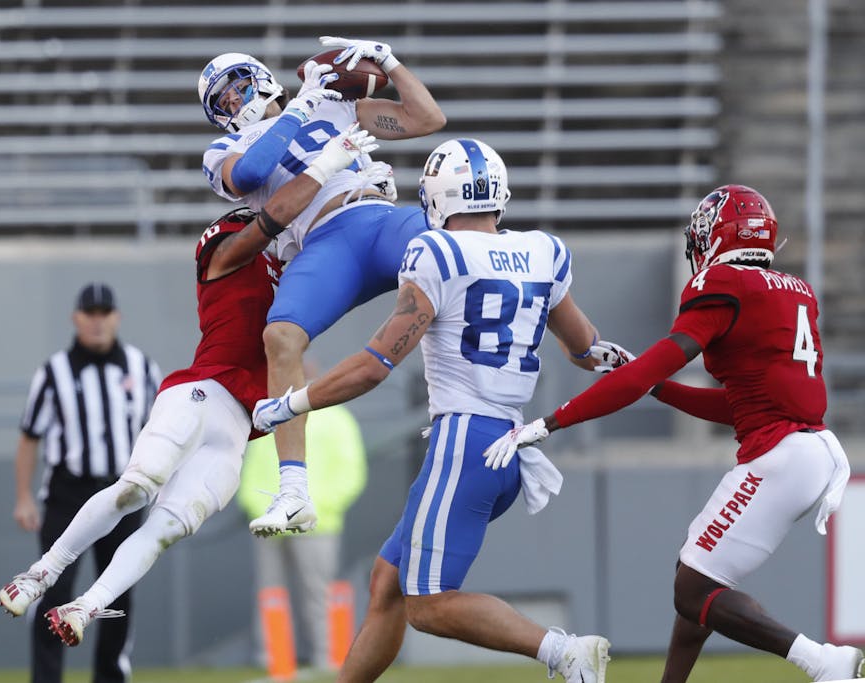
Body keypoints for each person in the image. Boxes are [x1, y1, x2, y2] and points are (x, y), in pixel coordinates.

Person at [0, 125, 380, 652]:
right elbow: (273, 218)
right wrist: (326, 163)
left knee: (164, 530)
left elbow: (331, 258)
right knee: (139, 486)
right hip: (201, 391)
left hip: (240, 431)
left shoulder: (298, 268)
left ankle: (85, 606)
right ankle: (41, 574)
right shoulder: (225, 244)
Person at [252, 139, 614, 683]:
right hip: (507, 443)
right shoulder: (544, 251)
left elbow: (375, 364)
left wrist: (290, 403)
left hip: (465, 441)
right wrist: (634, 367)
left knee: (429, 604)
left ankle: (562, 651)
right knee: (388, 583)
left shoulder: (437, 252)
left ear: (437, 198)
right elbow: (587, 348)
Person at [483, 185, 862, 683]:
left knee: (693, 589)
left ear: (716, 235)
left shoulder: (722, 284)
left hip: (781, 456)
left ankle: (822, 662)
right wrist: (657, 387)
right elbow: (739, 404)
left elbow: (644, 373)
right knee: (697, 577)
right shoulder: (793, 291)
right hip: (809, 449)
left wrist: (550, 421)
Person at [198, 35, 446, 536]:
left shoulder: (333, 105)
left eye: (236, 88)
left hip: (376, 216)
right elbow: (249, 173)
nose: (233, 103)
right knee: (280, 338)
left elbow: (427, 119)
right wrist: (299, 108)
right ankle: (293, 492)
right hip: (323, 242)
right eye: (221, 102)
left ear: (260, 78)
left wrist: (389, 61)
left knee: (460, 248)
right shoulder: (225, 148)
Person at [8, 282, 162, 683]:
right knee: (53, 591)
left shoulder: (141, 367)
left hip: (124, 492)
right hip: (68, 492)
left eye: (104, 313)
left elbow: (159, 430)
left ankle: (110, 676)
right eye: (90, 314)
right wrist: (23, 496)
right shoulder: (54, 372)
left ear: (117, 318)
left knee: (117, 593)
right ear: (77, 319)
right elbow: (29, 436)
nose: (97, 322)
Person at [238, 362, 367, 671]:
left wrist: (321, 506)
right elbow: (252, 467)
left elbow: (351, 471)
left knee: (318, 593)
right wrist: (259, 509)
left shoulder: (336, 418)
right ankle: (276, 664)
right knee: (271, 594)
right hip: (270, 520)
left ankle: (329, 660)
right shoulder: (270, 416)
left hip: (317, 521)